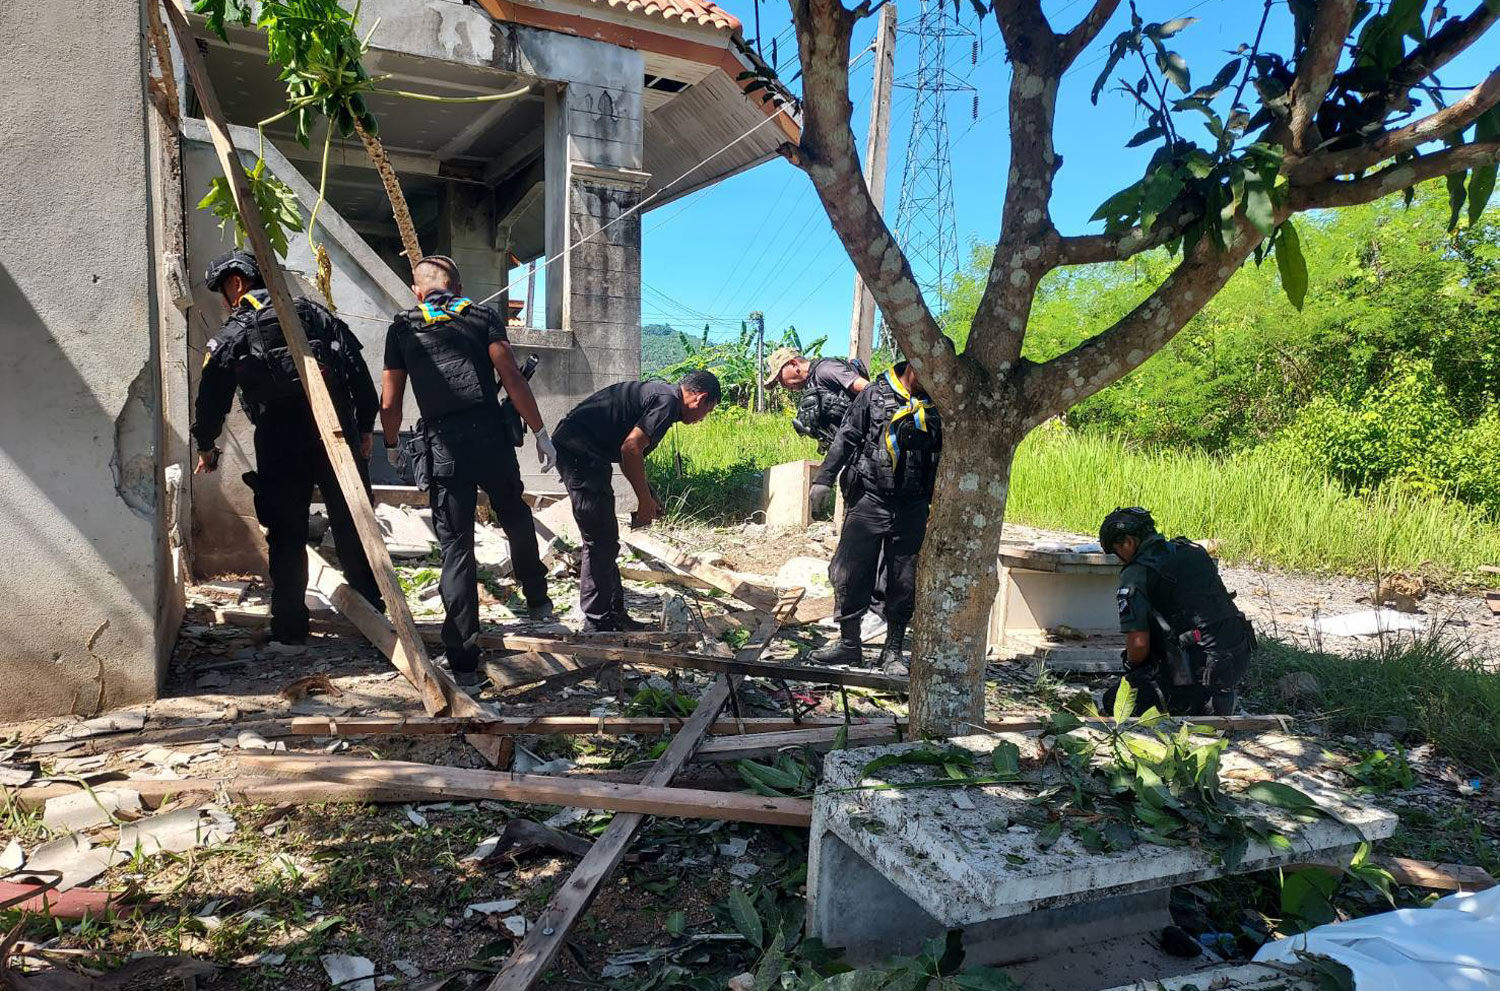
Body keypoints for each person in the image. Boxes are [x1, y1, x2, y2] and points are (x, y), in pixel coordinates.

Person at [380, 255, 557, 690]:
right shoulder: (481, 316)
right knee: (513, 514)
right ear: (457, 287)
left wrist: (390, 445)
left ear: (417, 291)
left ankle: (462, 662)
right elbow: (512, 376)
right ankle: (538, 601)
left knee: (457, 547)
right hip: (491, 437)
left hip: (444, 446)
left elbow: (391, 397)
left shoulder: (403, 327)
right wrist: (540, 431)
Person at [191, 249, 384, 644]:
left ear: (237, 283)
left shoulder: (235, 331)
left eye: (224, 291)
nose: (225, 301)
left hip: (280, 439)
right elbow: (357, 371)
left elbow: (212, 397)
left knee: (286, 532)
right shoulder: (314, 314)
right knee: (353, 525)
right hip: (335, 432)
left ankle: (290, 627)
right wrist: (365, 426)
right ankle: (374, 620)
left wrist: (206, 444)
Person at [551, 372, 721, 632]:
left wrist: (649, 495)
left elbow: (629, 452)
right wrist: (643, 501)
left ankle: (613, 615)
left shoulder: (663, 398)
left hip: (584, 450)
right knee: (599, 540)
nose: (701, 420)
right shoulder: (667, 402)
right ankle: (598, 625)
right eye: (707, 412)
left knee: (606, 539)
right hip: (578, 451)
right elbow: (630, 449)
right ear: (700, 398)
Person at [805, 360, 941, 673]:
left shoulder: (941, 403)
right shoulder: (875, 393)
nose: (933, 379)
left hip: (913, 504)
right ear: (913, 364)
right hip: (869, 496)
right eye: (928, 371)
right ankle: (849, 645)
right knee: (848, 571)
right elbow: (847, 436)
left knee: (904, 580)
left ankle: (892, 652)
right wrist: (823, 479)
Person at [1098, 507, 1257, 717]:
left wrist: (1133, 665)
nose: (1119, 559)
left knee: (1114, 700)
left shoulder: (1137, 573)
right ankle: (1217, 694)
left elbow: (1138, 644)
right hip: (1237, 656)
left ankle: (1197, 702)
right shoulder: (1192, 551)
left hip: (1198, 669)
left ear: (1128, 542)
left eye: (1116, 551)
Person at [762, 347, 870, 451]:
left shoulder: (825, 370)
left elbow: (872, 391)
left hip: (869, 446)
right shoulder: (812, 387)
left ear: (794, 364)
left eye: (780, 378)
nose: (782, 385)